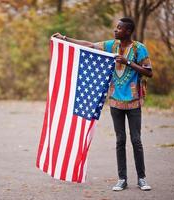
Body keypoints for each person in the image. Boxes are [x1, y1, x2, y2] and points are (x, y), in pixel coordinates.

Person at [52, 17, 152, 191]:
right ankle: (122, 179)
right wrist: (65, 38)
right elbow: (89, 45)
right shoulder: (111, 45)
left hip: (134, 102)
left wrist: (127, 62)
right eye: (116, 27)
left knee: (136, 140)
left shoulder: (139, 48)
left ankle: (142, 178)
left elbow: (149, 72)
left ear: (128, 31)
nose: (115, 30)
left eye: (119, 28)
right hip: (115, 101)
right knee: (120, 140)